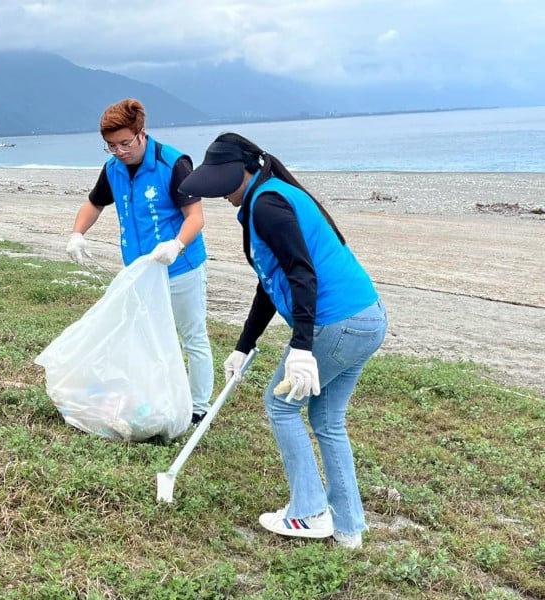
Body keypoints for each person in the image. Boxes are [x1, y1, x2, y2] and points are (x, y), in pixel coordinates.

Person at [179, 132, 388, 549]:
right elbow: (269, 285)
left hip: (339, 322)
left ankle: (308, 513)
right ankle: (348, 529)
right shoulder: (269, 197)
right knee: (328, 421)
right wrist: (243, 344)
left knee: (280, 406)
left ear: (246, 170)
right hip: (367, 317)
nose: (221, 194)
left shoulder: (268, 205)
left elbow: (302, 274)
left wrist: (302, 348)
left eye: (223, 181)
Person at [66, 98, 213, 424]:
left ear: (141, 133)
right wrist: (77, 233)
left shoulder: (172, 164)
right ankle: (156, 396)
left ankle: (199, 408)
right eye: (110, 146)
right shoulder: (113, 169)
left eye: (124, 143)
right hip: (139, 271)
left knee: (192, 337)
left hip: (180, 266)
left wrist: (176, 245)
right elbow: (94, 204)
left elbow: (195, 217)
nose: (119, 151)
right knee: (144, 335)